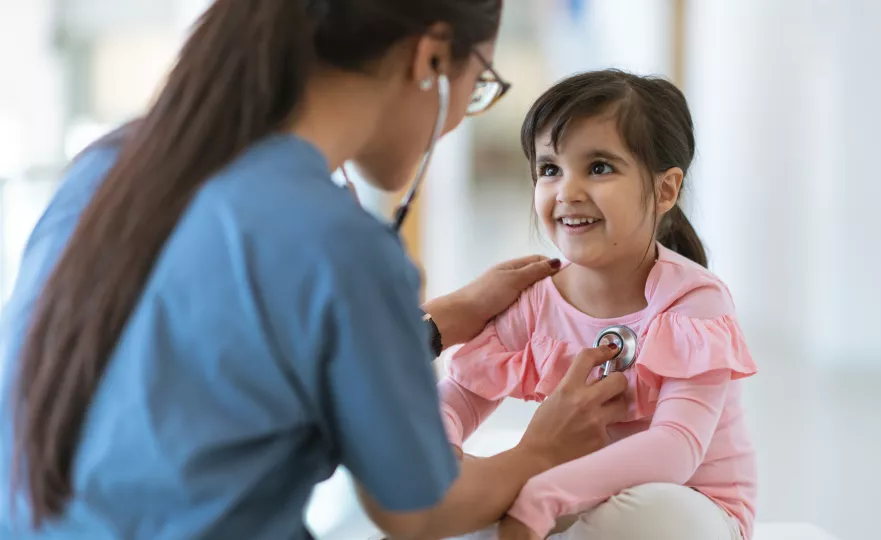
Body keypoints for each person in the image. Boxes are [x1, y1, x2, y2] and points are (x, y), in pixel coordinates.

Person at [0, 2, 632, 539]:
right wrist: (541, 449)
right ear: (432, 58)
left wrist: (436, 322)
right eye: (481, 81)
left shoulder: (106, 166)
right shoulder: (338, 242)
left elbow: (219, 361)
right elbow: (417, 506)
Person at [438, 70, 759, 540]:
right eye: (550, 169)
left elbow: (676, 449)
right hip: (573, 503)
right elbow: (459, 395)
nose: (567, 191)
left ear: (666, 190)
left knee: (642, 515)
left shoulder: (695, 300)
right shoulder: (533, 298)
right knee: (459, 516)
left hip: (690, 507)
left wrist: (539, 498)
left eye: (599, 167)